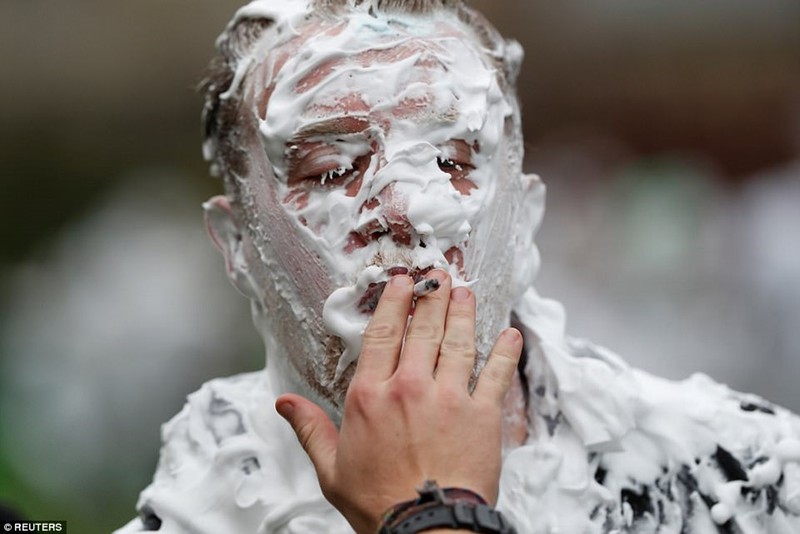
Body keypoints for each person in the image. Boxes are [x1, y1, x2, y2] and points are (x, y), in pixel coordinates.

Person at [117, 1, 800, 533]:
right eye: (331, 171)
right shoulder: (196, 516)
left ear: (526, 218)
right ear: (237, 247)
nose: (404, 209)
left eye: (452, 163)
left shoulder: (751, 481)